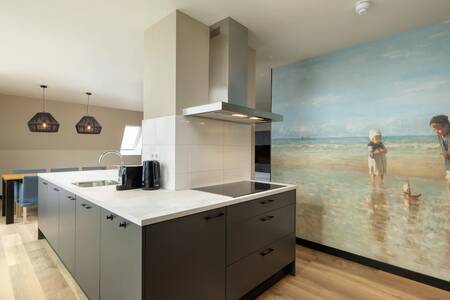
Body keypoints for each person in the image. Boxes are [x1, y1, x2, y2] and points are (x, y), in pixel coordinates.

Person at [429, 115, 450, 184]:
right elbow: (443, 147)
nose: (437, 131)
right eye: (434, 130)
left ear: (447, 125)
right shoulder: (440, 135)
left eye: (439, 128)